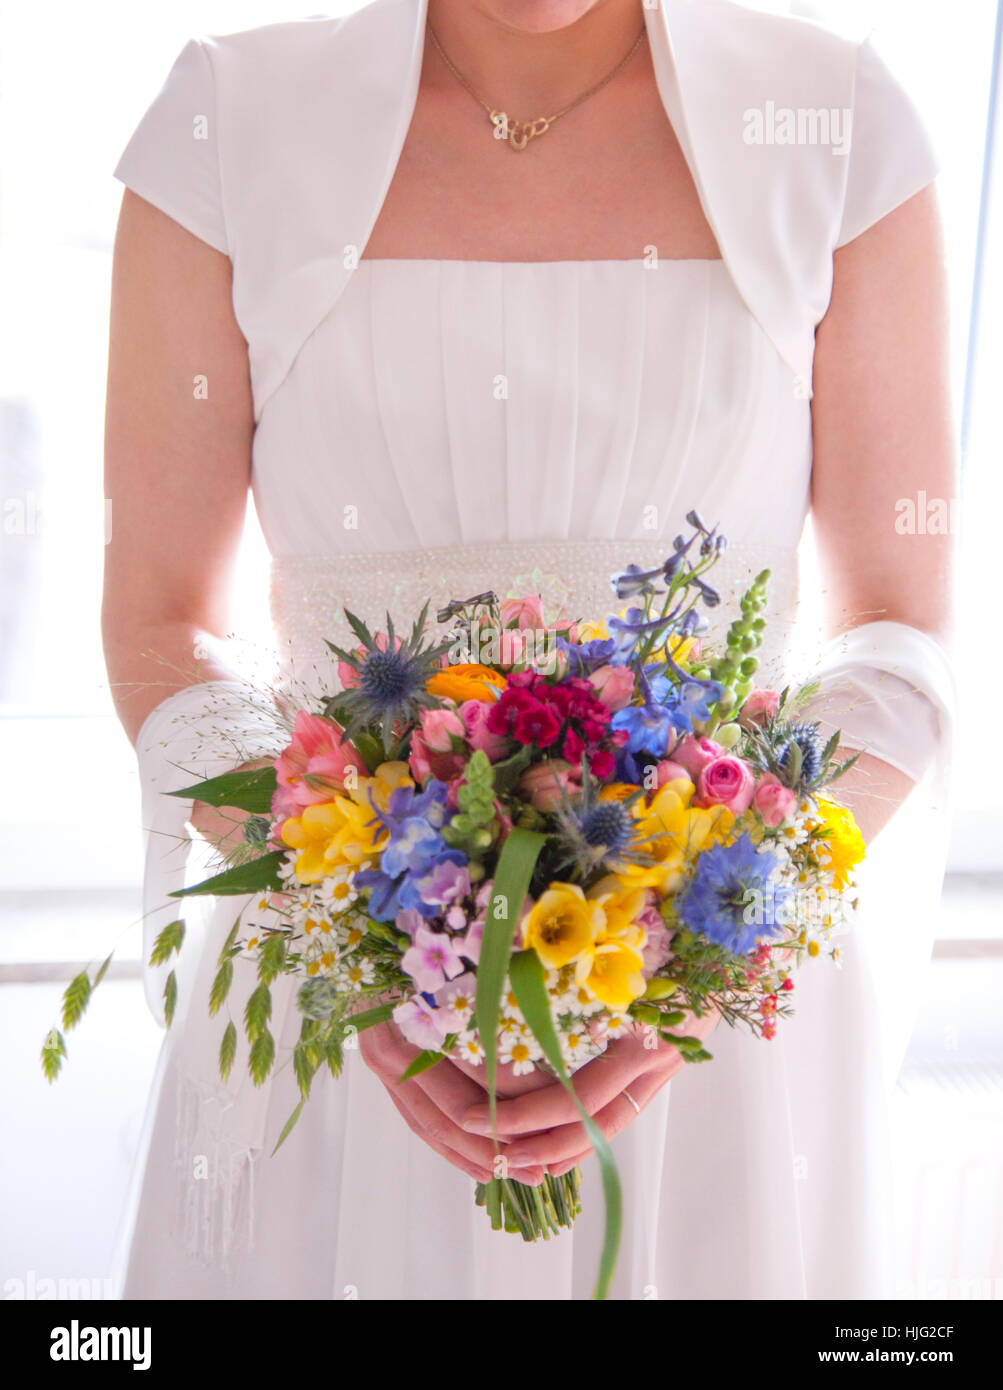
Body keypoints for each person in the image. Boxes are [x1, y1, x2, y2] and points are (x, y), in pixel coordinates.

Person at [103, 0, 957, 1299]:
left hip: (713, 1053)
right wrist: (362, 958)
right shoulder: (224, 130)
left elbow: (900, 635)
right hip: (335, 1019)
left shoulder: (840, 129)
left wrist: (698, 951)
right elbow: (161, 616)